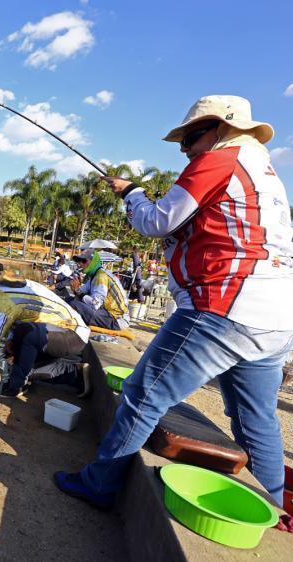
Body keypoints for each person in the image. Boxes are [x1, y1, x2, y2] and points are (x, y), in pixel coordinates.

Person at [55, 95, 293, 509]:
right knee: (256, 420)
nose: (185, 149)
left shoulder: (221, 159)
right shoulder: (266, 174)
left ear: (221, 129)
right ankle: (275, 510)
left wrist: (132, 193)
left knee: (143, 395)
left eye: (191, 137)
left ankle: (100, 485)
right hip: (276, 319)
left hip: (224, 308)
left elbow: (156, 221)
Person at [0, 259, 91, 399]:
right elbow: (21, 318)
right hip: (56, 335)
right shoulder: (9, 286)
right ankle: (74, 374)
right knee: (18, 364)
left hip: (72, 336)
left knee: (28, 339)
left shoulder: (5, 299)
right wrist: (11, 341)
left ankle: (16, 386)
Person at [68, 250, 130, 330]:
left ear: (94, 262)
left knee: (74, 304)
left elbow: (96, 304)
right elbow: (80, 292)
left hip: (116, 320)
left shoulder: (101, 276)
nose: (80, 264)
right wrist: (75, 289)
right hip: (106, 314)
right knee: (69, 299)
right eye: (78, 261)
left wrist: (77, 291)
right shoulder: (95, 275)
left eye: (84, 261)